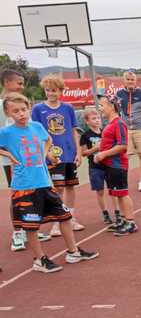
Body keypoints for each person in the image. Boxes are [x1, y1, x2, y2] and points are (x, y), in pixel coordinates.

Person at [0, 93, 98, 272]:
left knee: (65, 217)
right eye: (16, 111)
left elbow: (49, 140)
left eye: (24, 109)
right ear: (8, 114)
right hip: (24, 186)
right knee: (32, 226)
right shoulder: (6, 132)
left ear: (29, 109)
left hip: (45, 182)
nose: (21, 114)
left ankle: (73, 252)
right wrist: (9, 156)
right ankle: (40, 260)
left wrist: (45, 154)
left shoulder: (37, 126)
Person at [1, 69, 52, 252]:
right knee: (18, 196)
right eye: (19, 83)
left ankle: (30, 227)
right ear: (7, 83)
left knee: (32, 194)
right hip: (13, 161)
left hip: (30, 158)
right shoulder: (4, 106)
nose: (22, 87)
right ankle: (17, 232)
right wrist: (8, 155)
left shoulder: (20, 105)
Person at [31, 74, 84, 237]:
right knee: (57, 188)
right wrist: (45, 153)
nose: (51, 93)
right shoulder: (38, 109)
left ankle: (71, 218)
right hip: (52, 156)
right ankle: (57, 222)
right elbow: (36, 134)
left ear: (60, 91)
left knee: (70, 186)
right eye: (48, 90)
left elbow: (74, 131)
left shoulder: (68, 108)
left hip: (69, 154)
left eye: (54, 90)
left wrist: (79, 152)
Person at [94, 95, 138, 236]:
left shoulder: (119, 123)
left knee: (123, 193)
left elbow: (123, 146)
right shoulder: (110, 124)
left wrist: (104, 154)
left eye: (102, 105)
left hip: (117, 165)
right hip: (110, 165)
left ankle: (131, 222)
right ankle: (124, 220)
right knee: (117, 193)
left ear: (111, 106)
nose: (100, 108)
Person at [79, 107, 120, 225]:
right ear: (87, 121)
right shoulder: (85, 136)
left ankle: (117, 212)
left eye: (98, 118)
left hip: (108, 165)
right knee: (100, 191)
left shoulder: (105, 132)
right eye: (93, 118)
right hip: (95, 167)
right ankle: (105, 213)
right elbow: (84, 153)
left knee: (113, 190)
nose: (97, 120)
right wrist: (96, 148)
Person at [116, 70, 141, 192]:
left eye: (132, 79)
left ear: (135, 81)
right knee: (125, 155)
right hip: (126, 129)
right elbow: (117, 112)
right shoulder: (119, 94)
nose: (130, 81)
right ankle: (123, 180)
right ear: (124, 81)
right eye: (128, 79)